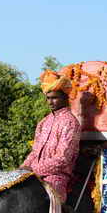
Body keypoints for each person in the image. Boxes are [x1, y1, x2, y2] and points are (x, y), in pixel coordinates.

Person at [22, 69, 81, 204]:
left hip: (56, 177)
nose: (50, 102)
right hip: (33, 175)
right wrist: (22, 169)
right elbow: (34, 153)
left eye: (54, 98)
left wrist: (34, 170)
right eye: (48, 98)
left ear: (65, 98)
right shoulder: (43, 122)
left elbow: (63, 159)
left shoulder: (70, 122)